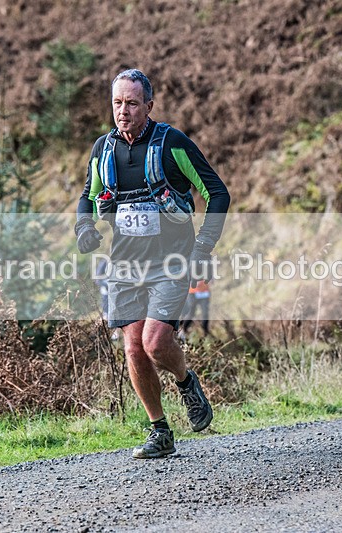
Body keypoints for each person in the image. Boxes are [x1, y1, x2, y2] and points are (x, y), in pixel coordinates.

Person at [75, 69, 230, 459]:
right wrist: (84, 227)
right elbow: (87, 198)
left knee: (156, 341)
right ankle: (159, 430)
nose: (122, 111)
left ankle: (185, 381)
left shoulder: (171, 144)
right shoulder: (104, 149)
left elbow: (217, 193)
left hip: (172, 262)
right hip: (125, 265)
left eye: (131, 103)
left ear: (149, 105)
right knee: (133, 349)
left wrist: (203, 247)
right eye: (116, 103)